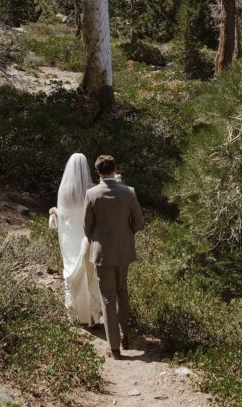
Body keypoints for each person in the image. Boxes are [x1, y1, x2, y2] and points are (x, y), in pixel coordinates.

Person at [83, 154, 144, 359]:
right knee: (122, 291)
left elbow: (87, 226)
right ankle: (125, 333)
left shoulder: (92, 194)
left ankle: (114, 347)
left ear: (97, 171)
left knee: (107, 297)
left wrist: (97, 239)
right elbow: (139, 223)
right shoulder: (129, 192)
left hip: (102, 252)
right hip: (124, 249)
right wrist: (126, 235)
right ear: (115, 169)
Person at [49, 153, 101, 326]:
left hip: (70, 238)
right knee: (89, 273)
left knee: (71, 271)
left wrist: (54, 211)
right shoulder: (92, 189)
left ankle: (74, 315)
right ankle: (92, 316)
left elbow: (64, 215)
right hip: (87, 236)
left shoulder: (63, 190)